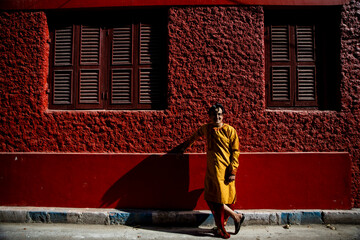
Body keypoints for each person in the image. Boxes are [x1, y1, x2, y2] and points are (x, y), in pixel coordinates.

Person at [179, 103, 245, 239]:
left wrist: (233, 171)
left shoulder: (230, 130)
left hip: (225, 171)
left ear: (223, 116)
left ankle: (230, 221)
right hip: (212, 171)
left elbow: (235, 152)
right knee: (211, 198)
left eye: (220, 114)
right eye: (214, 114)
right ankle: (229, 221)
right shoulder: (206, 128)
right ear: (209, 116)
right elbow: (194, 136)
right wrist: (184, 147)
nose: (217, 117)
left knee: (222, 199)